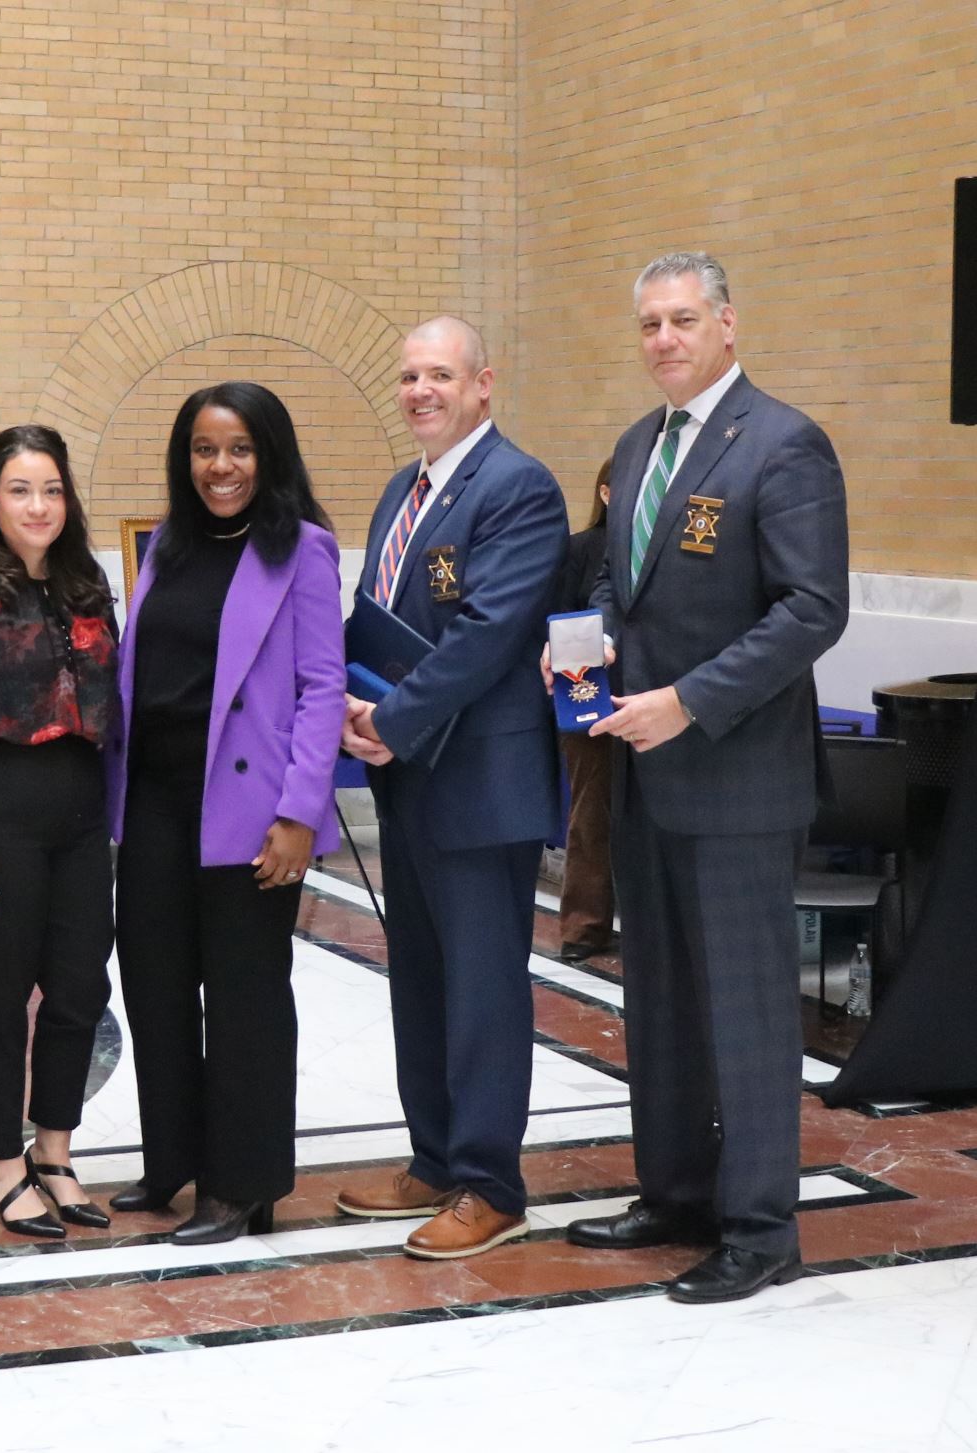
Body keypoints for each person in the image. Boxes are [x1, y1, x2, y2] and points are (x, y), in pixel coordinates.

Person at [564, 252, 849, 1303]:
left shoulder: (783, 444)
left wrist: (685, 700)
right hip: (641, 773)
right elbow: (613, 577)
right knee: (664, 1004)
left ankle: (760, 1226)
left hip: (734, 778)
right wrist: (582, 640)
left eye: (682, 320)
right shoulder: (641, 442)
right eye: (647, 324)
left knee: (741, 1009)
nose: (663, 340)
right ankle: (675, 1190)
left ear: (727, 324)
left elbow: (811, 609)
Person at [335, 316, 567, 1260]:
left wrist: (389, 722)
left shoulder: (518, 487)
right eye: (407, 377)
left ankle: (489, 1182)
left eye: (439, 375)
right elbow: (376, 612)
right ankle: (432, 1157)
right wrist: (350, 699)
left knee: (480, 987)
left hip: (480, 780)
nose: (420, 390)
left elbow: (487, 632)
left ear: (483, 384)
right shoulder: (404, 488)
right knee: (420, 977)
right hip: (412, 782)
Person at [105, 381, 345, 1246]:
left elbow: (323, 688)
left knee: (243, 999)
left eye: (239, 448)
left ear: (269, 454)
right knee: (157, 989)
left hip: (248, 807)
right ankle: (172, 1159)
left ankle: (241, 1184)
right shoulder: (166, 545)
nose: (220, 466)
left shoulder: (303, 551)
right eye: (204, 449)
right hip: (153, 804)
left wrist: (299, 814)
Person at [0, 425, 118, 1240]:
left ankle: (55, 1150)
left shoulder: (87, 581)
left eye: (49, 489)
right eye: (18, 490)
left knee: (79, 989)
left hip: (81, 810)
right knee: (1, 997)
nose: (37, 505)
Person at [557, 460, 617, 962]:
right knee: (590, 815)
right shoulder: (580, 548)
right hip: (587, 700)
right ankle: (583, 928)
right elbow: (559, 619)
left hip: (652, 700)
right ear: (605, 491)